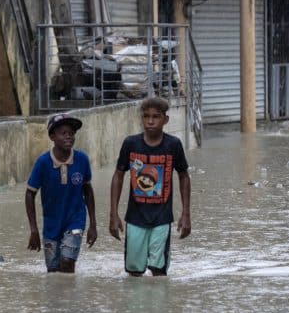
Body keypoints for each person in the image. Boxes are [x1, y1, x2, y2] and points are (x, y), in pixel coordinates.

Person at [109, 97, 191, 277]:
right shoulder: (131, 144)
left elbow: (184, 176)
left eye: (156, 116)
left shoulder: (173, 145)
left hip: (162, 217)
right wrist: (113, 214)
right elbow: (118, 175)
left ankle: (159, 306)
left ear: (165, 120)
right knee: (134, 271)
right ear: (141, 118)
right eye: (146, 116)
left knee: (158, 271)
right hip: (135, 217)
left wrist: (186, 213)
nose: (151, 121)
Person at [25, 113, 97, 273]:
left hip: (75, 220)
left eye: (71, 133)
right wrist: (34, 229)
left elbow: (88, 191)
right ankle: (59, 298)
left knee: (67, 262)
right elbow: (30, 194)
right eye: (63, 133)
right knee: (53, 270)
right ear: (52, 136)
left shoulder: (82, 160)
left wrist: (93, 224)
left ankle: (70, 297)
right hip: (51, 224)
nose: (68, 137)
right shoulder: (43, 163)